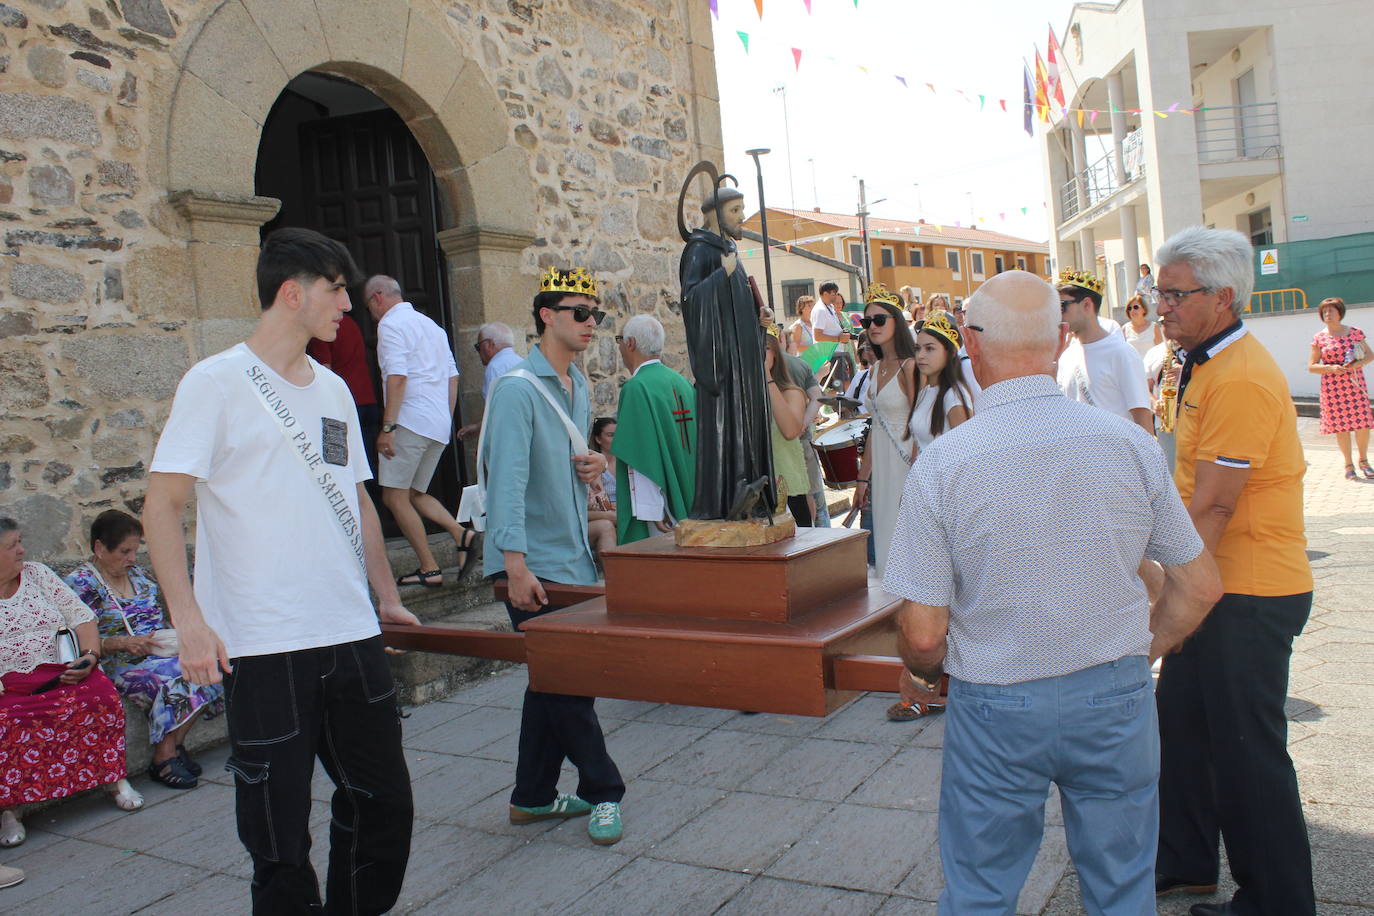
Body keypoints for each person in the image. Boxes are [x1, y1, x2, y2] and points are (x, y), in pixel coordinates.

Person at [885, 270, 1221, 915]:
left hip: (998, 699)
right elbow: (1201, 586)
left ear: (970, 345)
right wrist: (1142, 649)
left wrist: (925, 673)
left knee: (981, 892)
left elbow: (923, 634)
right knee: (1123, 889)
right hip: (1114, 691)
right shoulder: (1130, 444)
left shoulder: (945, 464)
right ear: (1062, 338)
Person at [143, 227, 419, 915]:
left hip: (349, 633)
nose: (348, 307)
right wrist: (190, 622)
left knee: (384, 806)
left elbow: (357, 501)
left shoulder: (333, 389)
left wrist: (385, 597)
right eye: (337, 291)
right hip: (264, 646)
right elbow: (161, 505)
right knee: (277, 834)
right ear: (292, 293)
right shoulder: (215, 382)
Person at [1151, 227, 1316, 916]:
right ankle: (1185, 862)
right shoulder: (1204, 360)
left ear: (1222, 297)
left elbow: (1215, 504)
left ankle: (1278, 901)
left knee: (1249, 755)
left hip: (1247, 591)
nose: (1160, 306)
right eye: (1157, 291)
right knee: (1182, 729)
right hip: (1216, 583)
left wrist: (1172, 602)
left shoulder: (1241, 375)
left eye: (1175, 294)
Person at [482, 265, 625, 846]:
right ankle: (604, 789)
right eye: (579, 313)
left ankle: (532, 796)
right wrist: (514, 564)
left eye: (596, 315)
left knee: (551, 682)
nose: (591, 323)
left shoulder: (577, 385)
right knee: (567, 680)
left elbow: (563, 461)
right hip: (534, 561)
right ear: (546, 316)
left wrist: (592, 463)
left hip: (571, 557)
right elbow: (506, 482)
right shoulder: (517, 389)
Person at [1, 516, 143, 859]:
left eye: (20, 541)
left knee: (100, 696)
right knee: (5, 721)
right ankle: (9, 809)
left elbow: (82, 617)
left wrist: (89, 657)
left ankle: (113, 778)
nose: (22, 550)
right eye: (12, 545)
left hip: (64, 671)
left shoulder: (37, 575)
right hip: (13, 686)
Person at [65, 510, 224, 791]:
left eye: (134, 550)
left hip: (157, 652)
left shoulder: (138, 575)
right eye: (124, 552)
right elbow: (78, 641)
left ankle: (175, 746)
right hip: (118, 660)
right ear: (100, 548)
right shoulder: (81, 584)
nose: (132, 558)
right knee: (177, 674)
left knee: (210, 663)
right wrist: (124, 642)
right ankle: (164, 758)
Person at [884, 308, 976, 724]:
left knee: (945, 599)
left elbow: (967, 455)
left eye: (930, 348)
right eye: (919, 348)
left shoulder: (954, 398)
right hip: (928, 503)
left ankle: (936, 687)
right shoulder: (925, 393)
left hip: (950, 508)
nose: (920, 356)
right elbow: (921, 448)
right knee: (929, 597)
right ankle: (929, 687)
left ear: (950, 352)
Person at [366, 274, 476, 587]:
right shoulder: (433, 327)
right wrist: (445, 418)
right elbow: (452, 377)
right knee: (415, 493)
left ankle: (429, 567)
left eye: (368, 305)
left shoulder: (390, 325)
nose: (371, 313)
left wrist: (388, 427)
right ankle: (461, 534)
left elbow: (397, 377)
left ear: (377, 297)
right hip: (436, 423)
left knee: (394, 497)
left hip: (409, 420)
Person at [679, 185, 775, 520]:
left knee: (749, 430)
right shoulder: (698, 250)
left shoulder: (729, 249)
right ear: (713, 215)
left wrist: (759, 320)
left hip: (744, 364)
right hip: (722, 365)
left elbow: (736, 309)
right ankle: (724, 501)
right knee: (726, 431)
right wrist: (723, 274)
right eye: (735, 210)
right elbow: (691, 301)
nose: (741, 216)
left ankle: (752, 497)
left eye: (741, 209)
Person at [612, 314, 697, 544]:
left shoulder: (636, 387)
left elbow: (639, 452)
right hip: (692, 493)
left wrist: (653, 509)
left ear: (630, 343)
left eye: (620, 340)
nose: (620, 347)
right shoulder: (682, 383)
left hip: (662, 506)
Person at [854, 284, 919, 576]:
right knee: (885, 548)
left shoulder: (910, 366)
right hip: (882, 470)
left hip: (906, 467)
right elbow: (875, 428)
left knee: (908, 548)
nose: (872, 327)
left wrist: (917, 476)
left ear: (896, 321)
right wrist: (862, 478)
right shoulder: (874, 369)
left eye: (879, 319)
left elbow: (920, 424)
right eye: (867, 321)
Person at [1057, 268, 1154, 434]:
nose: (1058, 314)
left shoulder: (1122, 353)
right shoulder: (1066, 355)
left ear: (1087, 305)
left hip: (1118, 449)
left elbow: (1142, 415)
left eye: (1062, 306)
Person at [1308, 296, 1374, 480]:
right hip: (1333, 388)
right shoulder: (1319, 338)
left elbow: (1369, 355)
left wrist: (1356, 365)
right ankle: (1348, 464)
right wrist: (1330, 368)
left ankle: (1364, 460)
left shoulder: (1355, 333)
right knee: (1341, 426)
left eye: (1331, 310)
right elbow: (1312, 366)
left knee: (1362, 424)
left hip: (1355, 384)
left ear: (1340, 313)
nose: (1327, 314)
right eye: (1324, 311)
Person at [307, 312, 380, 474]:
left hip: (346, 403)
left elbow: (325, 371)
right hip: (368, 399)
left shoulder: (323, 329)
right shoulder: (351, 322)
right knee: (369, 462)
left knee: (348, 466)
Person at [765, 332, 813, 524]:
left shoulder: (792, 393)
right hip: (756, 489)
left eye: (765, 348)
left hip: (788, 488)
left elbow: (790, 431)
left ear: (776, 355)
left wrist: (767, 377)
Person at [457, 321, 523, 441]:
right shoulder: (521, 362)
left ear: (489, 344)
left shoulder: (495, 367)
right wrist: (478, 427)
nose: (478, 352)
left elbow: (496, 412)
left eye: (478, 346)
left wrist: (484, 442)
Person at [587, 417, 618, 558]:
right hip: (602, 510)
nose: (616, 439)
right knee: (612, 518)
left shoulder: (624, 463)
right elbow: (600, 499)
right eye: (610, 435)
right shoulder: (595, 463)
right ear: (598, 439)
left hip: (619, 509)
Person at [1121, 292, 1164, 363]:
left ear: (1144, 309)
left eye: (1136, 307)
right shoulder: (1124, 329)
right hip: (1132, 367)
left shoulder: (1154, 327)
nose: (1132, 310)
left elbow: (1161, 351)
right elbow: (1122, 354)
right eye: (1129, 308)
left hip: (1150, 367)